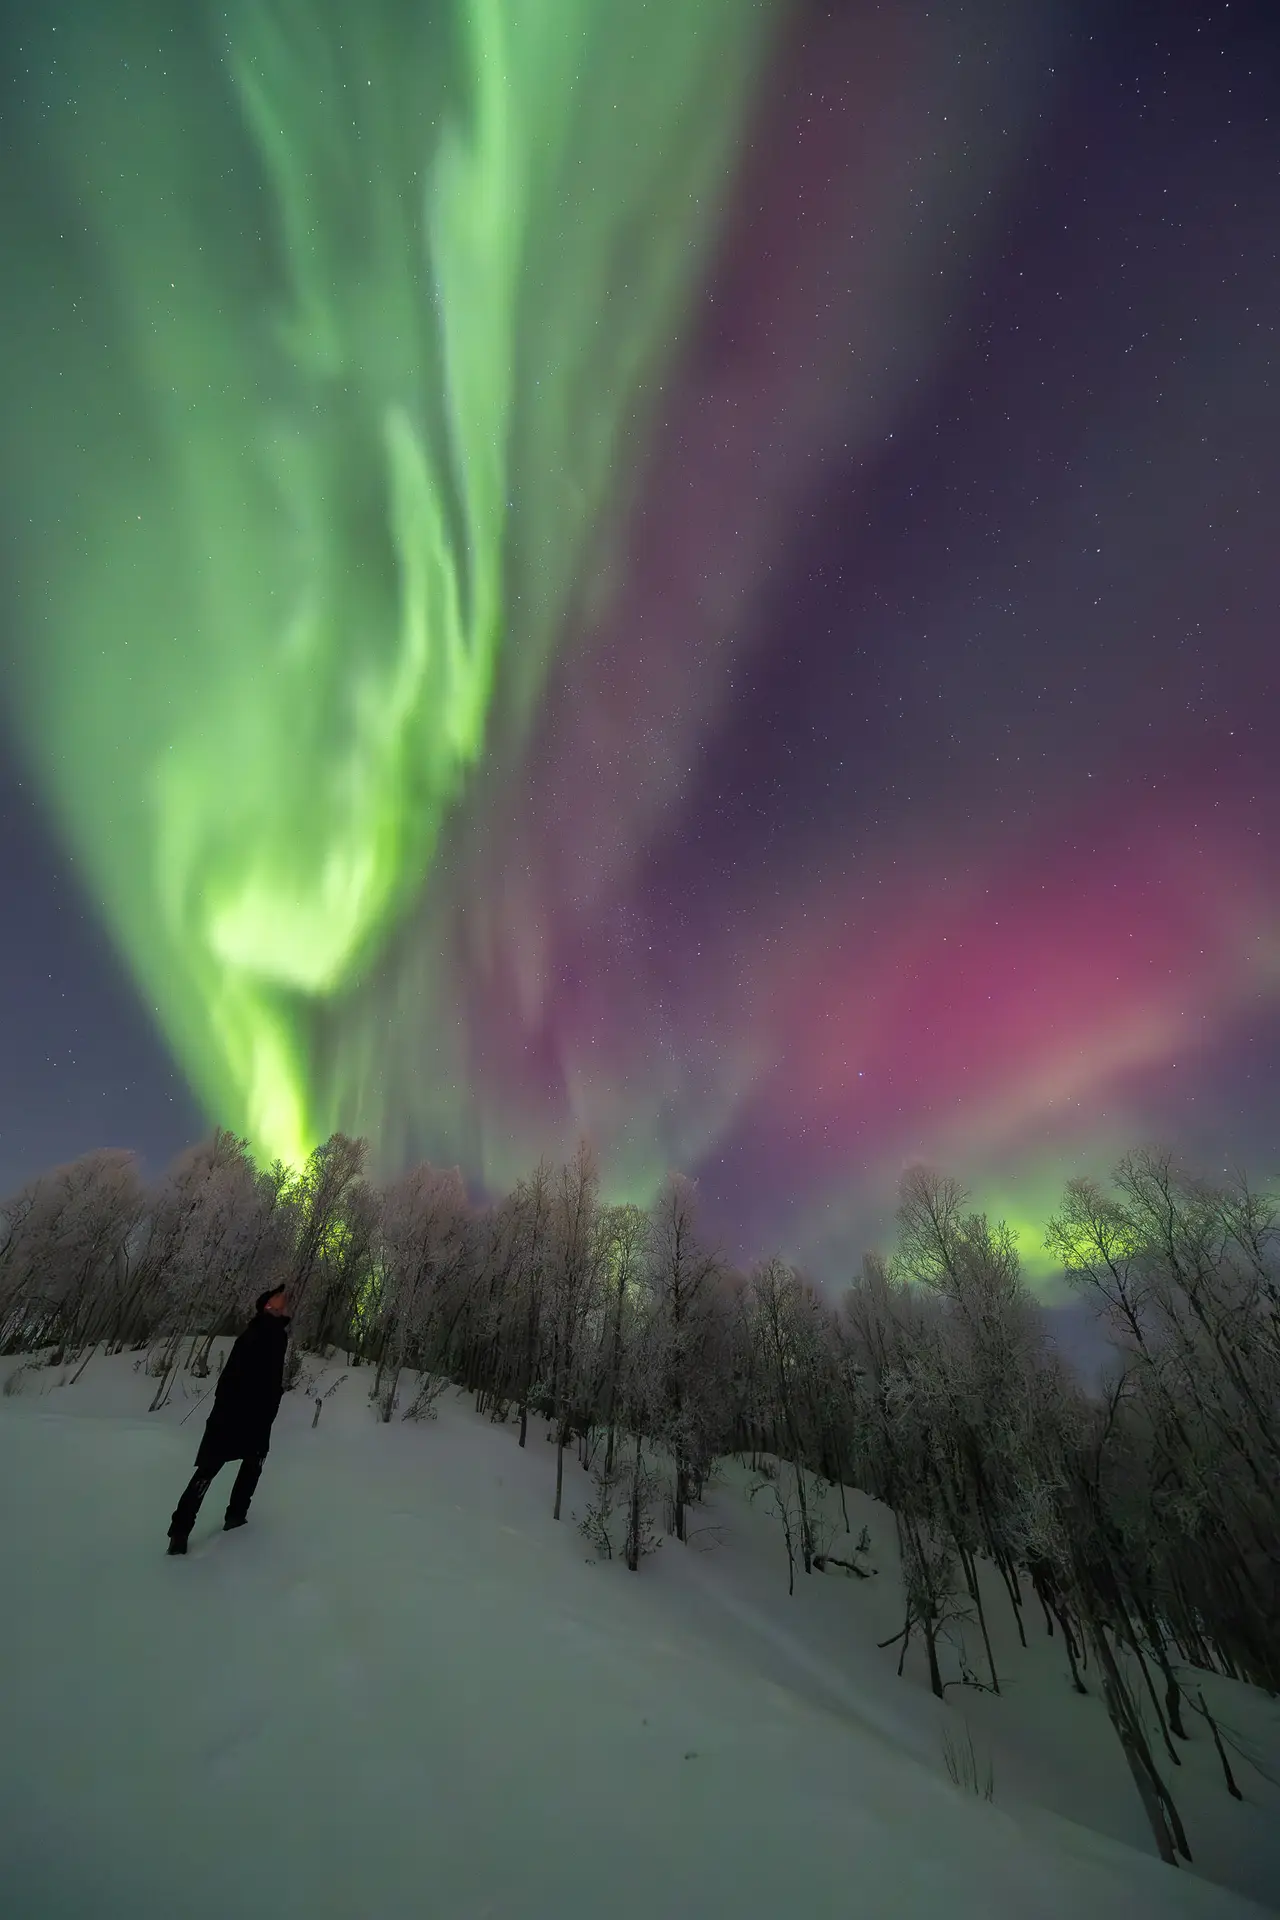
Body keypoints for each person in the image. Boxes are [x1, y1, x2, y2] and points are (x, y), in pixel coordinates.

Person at [167, 1286, 291, 1555]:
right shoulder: (256, 1334)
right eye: (278, 1297)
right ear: (267, 1306)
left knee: (252, 1465)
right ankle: (180, 1530)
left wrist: (272, 1402)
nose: (285, 1300)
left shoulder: (277, 1335)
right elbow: (233, 1378)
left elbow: (271, 1380)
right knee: (208, 1470)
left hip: (258, 1417)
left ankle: (235, 1517)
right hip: (232, 1415)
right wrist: (234, 1407)